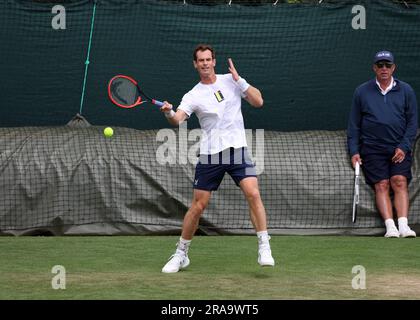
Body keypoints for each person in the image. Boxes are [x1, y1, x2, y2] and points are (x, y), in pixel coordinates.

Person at [159, 44, 275, 273]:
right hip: (211, 154)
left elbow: (258, 101)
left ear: (214, 61)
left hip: (237, 149)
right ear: (195, 64)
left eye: (208, 59)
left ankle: (264, 246)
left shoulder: (231, 81)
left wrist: (239, 79)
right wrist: (169, 112)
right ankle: (181, 253)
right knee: (198, 206)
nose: (205, 63)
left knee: (253, 192)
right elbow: (179, 119)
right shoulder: (193, 94)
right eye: (200, 60)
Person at [347, 50, 418, 238]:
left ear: (393, 68)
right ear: (374, 68)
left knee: (399, 181)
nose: (384, 69)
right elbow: (354, 125)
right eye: (380, 65)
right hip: (372, 148)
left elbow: (412, 123)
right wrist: (354, 151)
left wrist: (403, 146)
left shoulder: (406, 90)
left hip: (398, 147)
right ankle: (390, 227)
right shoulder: (362, 91)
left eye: (388, 65)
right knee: (382, 184)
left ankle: (403, 226)